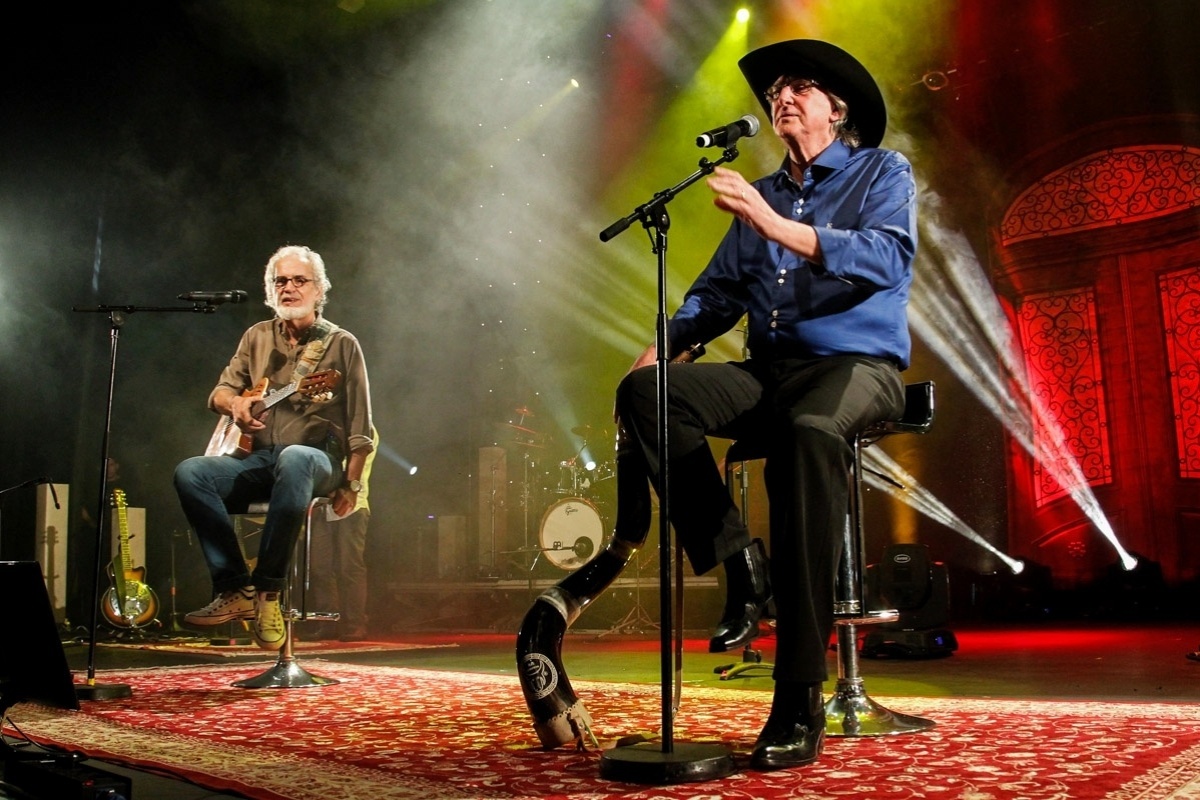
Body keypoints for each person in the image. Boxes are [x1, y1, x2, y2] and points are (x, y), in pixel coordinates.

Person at [614, 40, 916, 770]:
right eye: (777, 87)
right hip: (770, 369)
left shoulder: (882, 170)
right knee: (645, 392)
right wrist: (668, 344)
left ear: (836, 111)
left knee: (808, 434)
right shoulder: (765, 192)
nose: (783, 95)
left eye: (801, 86)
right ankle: (739, 563)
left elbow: (886, 258)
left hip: (857, 366)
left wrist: (775, 225)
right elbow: (715, 295)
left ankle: (798, 697)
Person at [174, 245, 375, 650]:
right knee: (191, 472)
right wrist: (237, 404)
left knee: (296, 457)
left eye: (299, 280)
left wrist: (350, 484)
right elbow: (219, 392)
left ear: (319, 290)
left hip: (317, 459)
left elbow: (361, 427)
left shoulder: (341, 344)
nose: (289, 288)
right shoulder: (256, 337)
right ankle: (235, 588)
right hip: (261, 459)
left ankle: (267, 591)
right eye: (280, 281)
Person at [306, 428, 377, 641]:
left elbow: (354, 463)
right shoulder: (326, 425)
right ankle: (328, 621)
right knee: (320, 568)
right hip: (321, 506)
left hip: (352, 505)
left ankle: (355, 624)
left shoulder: (365, 428)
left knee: (350, 567)